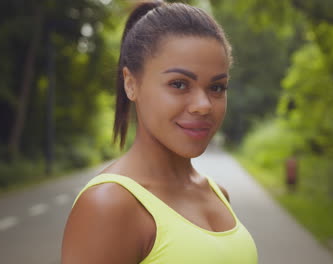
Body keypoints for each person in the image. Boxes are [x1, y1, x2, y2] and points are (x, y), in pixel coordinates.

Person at [61, 1, 258, 263]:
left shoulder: (217, 193)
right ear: (131, 84)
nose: (203, 105)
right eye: (179, 84)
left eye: (217, 87)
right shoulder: (110, 205)